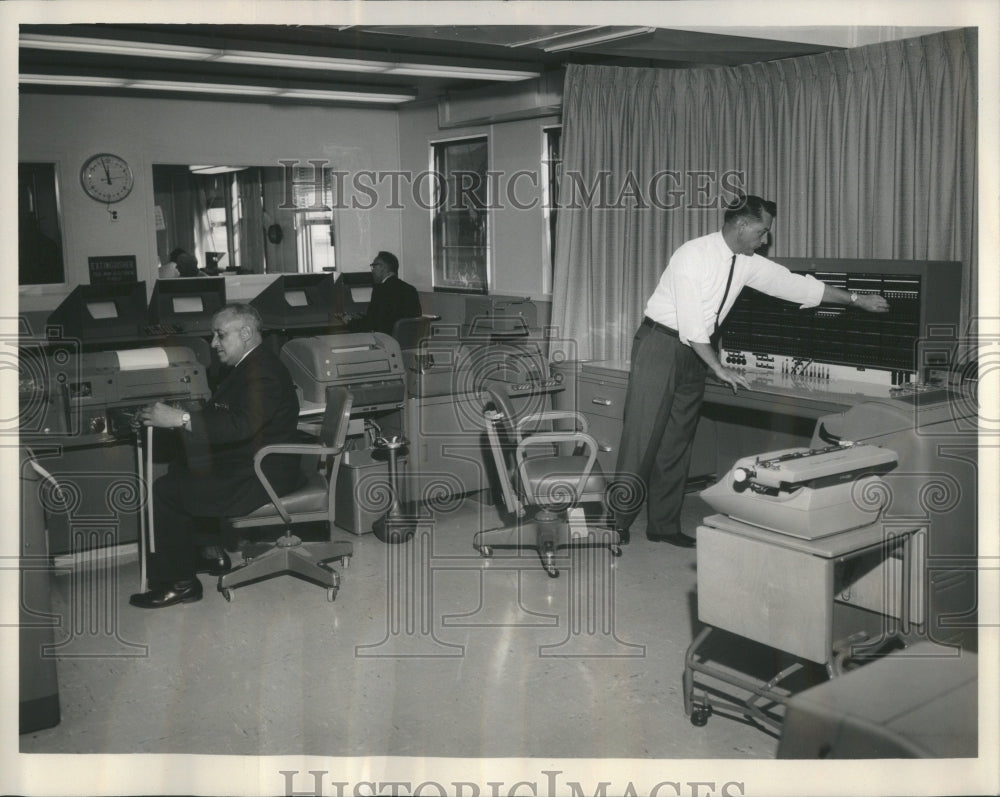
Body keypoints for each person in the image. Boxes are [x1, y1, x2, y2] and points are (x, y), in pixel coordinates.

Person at [614, 194, 890, 547]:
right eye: (762, 232)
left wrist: (856, 300)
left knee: (677, 441)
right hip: (662, 344)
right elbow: (692, 324)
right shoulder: (692, 255)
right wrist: (718, 367)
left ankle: (663, 526)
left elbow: (796, 285)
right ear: (741, 225)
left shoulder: (745, 261)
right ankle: (615, 521)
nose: (765, 241)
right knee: (642, 437)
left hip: (694, 353)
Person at [129, 303, 305, 608]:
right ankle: (207, 552)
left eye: (220, 336)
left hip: (263, 475)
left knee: (165, 491)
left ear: (246, 333)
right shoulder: (247, 366)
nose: (213, 343)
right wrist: (167, 418)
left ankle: (181, 584)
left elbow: (240, 424)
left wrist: (180, 419)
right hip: (253, 463)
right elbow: (220, 416)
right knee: (183, 465)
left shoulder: (263, 373)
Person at [343, 251, 422, 336]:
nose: (372, 271)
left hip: (386, 342)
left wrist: (350, 321)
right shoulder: (411, 289)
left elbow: (371, 324)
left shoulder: (380, 290)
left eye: (374, 266)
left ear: (383, 267)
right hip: (409, 343)